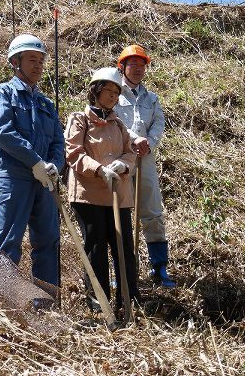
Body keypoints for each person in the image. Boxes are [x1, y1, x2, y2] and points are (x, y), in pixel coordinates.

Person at [0, 33, 64, 288]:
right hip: (12, 177)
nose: (38, 65)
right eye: (32, 59)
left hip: (44, 181)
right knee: (8, 240)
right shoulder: (1, 94)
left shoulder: (46, 104)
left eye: (41, 60)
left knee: (49, 241)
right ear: (15, 62)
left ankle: (47, 307)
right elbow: (0, 130)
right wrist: (35, 162)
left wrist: (53, 166)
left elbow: (59, 142)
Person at [65, 67, 139, 310]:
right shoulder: (79, 119)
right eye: (109, 90)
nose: (113, 96)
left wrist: (123, 165)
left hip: (118, 196)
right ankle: (100, 302)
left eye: (117, 92)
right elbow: (74, 153)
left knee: (124, 248)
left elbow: (131, 153)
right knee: (95, 246)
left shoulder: (119, 125)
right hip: (89, 195)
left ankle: (129, 299)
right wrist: (99, 169)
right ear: (95, 90)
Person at [115, 45, 176, 288]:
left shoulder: (152, 98)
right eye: (133, 65)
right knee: (119, 214)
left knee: (152, 212)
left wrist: (149, 143)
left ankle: (159, 268)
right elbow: (113, 121)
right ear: (122, 67)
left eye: (142, 66)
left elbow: (159, 123)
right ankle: (122, 271)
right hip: (120, 157)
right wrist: (133, 139)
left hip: (146, 159)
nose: (138, 69)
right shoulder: (114, 93)